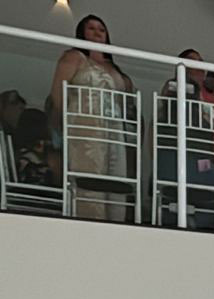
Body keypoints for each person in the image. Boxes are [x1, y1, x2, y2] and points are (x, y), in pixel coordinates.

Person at [46, 15, 134, 221]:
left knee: (115, 182)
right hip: (85, 126)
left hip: (114, 129)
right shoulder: (74, 57)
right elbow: (58, 95)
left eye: (101, 29)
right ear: (82, 33)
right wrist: (62, 127)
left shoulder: (113, 66)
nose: (97, 33)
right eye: (91, 28)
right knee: (89, 180)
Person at [155, 49, 214, 229]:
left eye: (200, 61)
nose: (198, 66)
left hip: (185, 167)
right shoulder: (172, 94)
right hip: (183, 167)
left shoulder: (206, 106)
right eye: (192, 61)